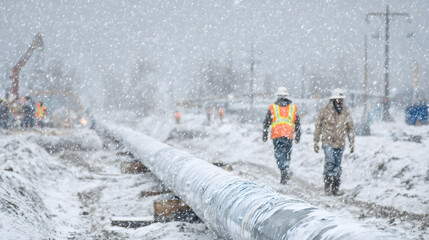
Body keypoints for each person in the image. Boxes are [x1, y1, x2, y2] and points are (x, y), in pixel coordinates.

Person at [313, 88, 355, 196]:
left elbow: (350, 127)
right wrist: (316, 141)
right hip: (328, 141)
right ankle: (327, 185)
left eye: (341, 99)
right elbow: (318, 125)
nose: (340, 101)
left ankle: (335, 188)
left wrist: (351, 142)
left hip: (340, 143)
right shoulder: (325, 110)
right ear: (333, 99)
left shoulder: (345, 111)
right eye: (338, 99)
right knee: (329, 162)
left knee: (337, 166)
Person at [263, 87, 301, 184]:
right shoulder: (293, 108)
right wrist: (298, 135)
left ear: (278, 96)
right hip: (289, 134)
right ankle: (286, 170)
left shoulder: (272, 107)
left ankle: (284, 170)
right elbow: (297, 123)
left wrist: (265, 134)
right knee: (287, 154)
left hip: (277, 134)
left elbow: (266, 122)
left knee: (279, 155)